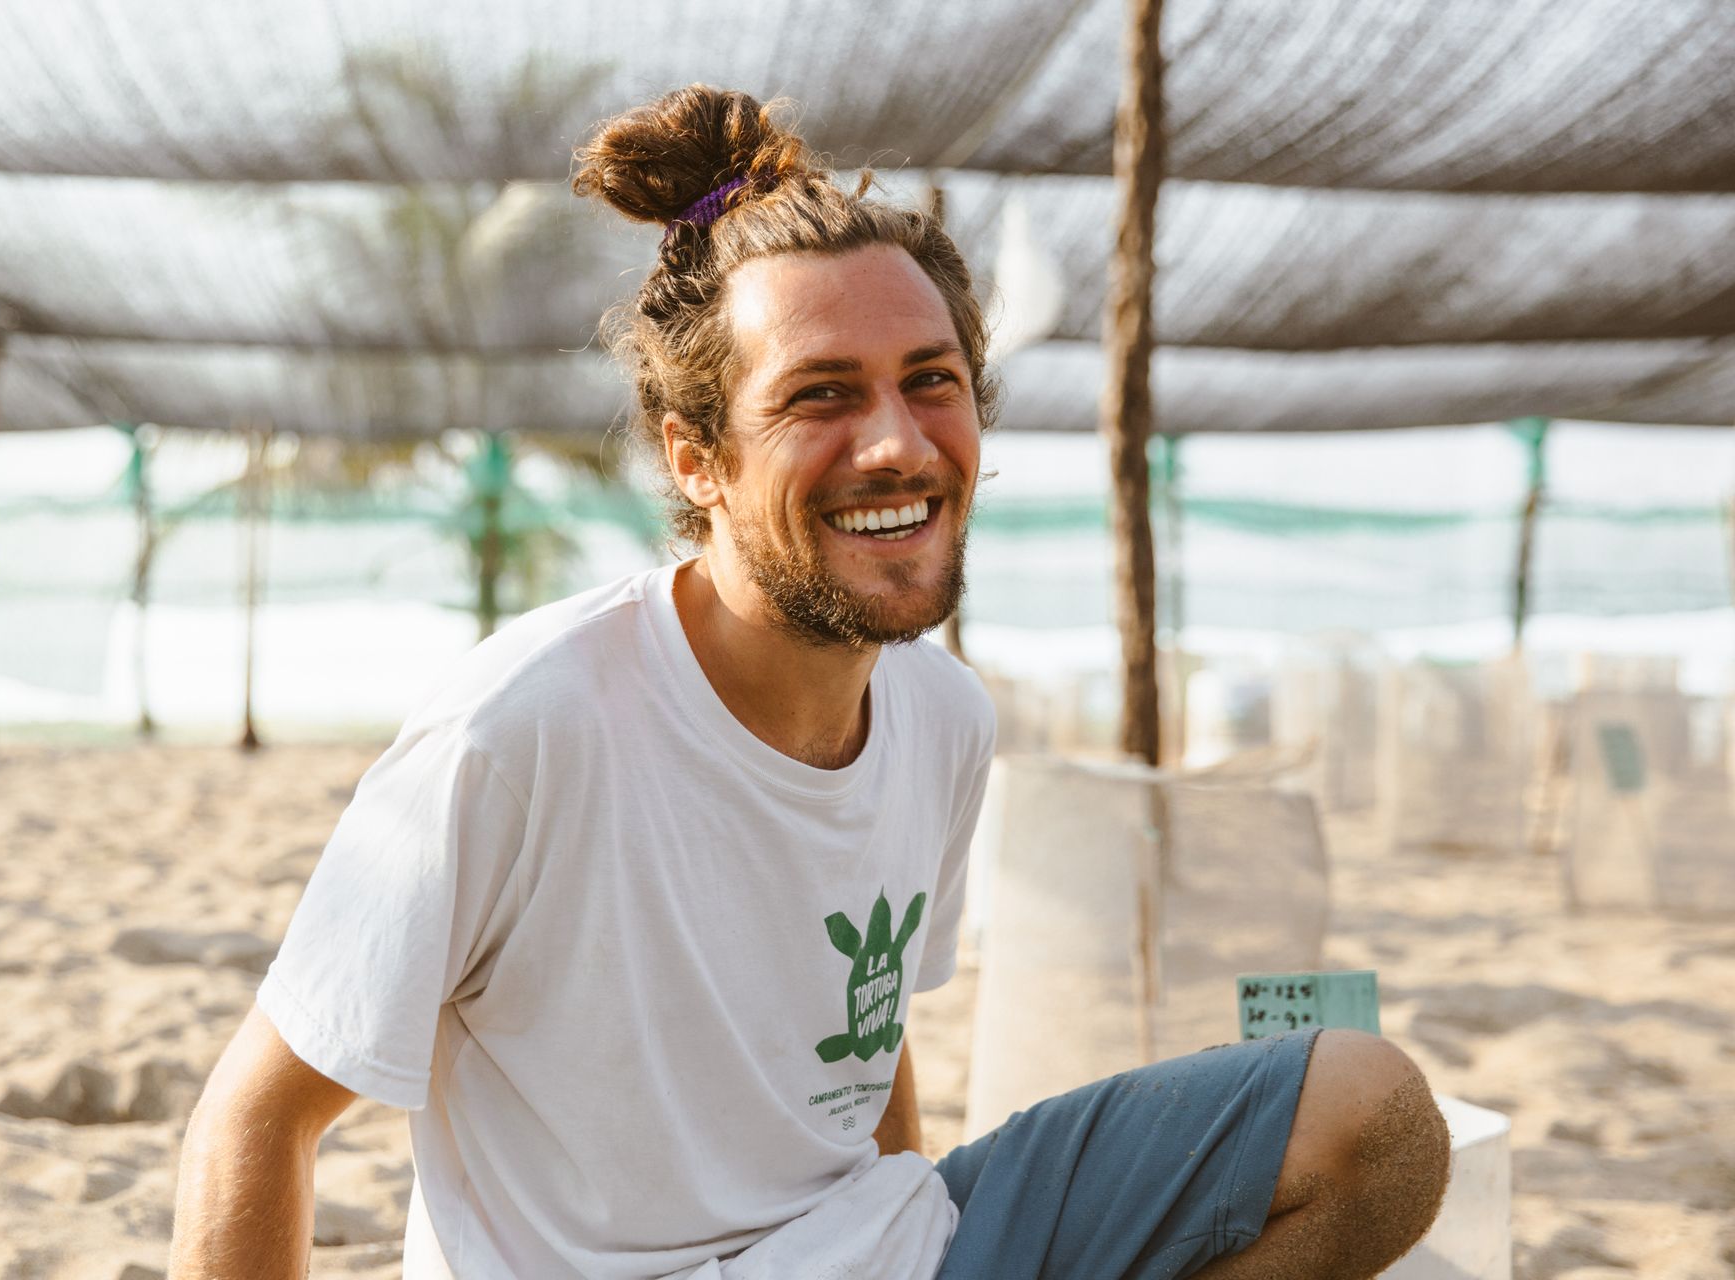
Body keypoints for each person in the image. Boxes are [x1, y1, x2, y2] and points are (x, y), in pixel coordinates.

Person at [169, 85, 1450, 1280]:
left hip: (871, 1243)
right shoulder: (523, 726)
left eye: (929, 381)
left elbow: (864, 1034)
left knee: (1376, 1121)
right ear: (700, 458)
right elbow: (257, 1118)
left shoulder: (943, 715)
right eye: (820, 395)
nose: (894, 442)